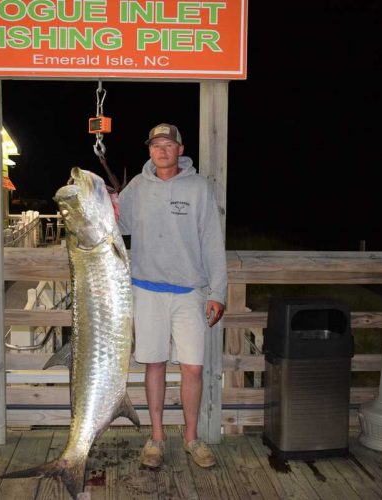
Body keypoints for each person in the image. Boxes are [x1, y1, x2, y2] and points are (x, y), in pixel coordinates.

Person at [118, 123, 227, 468]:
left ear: (181, 149)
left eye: (168, 144)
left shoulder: (198, 188)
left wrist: (218, 291)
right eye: (155, 144)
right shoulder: (136, 187)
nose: (162, 149)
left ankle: (192, 438)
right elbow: (119, 228)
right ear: (149, 150)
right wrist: (100, 203)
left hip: (190, 292)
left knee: (193, 367)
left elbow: (212, 241)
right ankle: (157, 437)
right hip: (146, 289)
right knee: (154, 363)